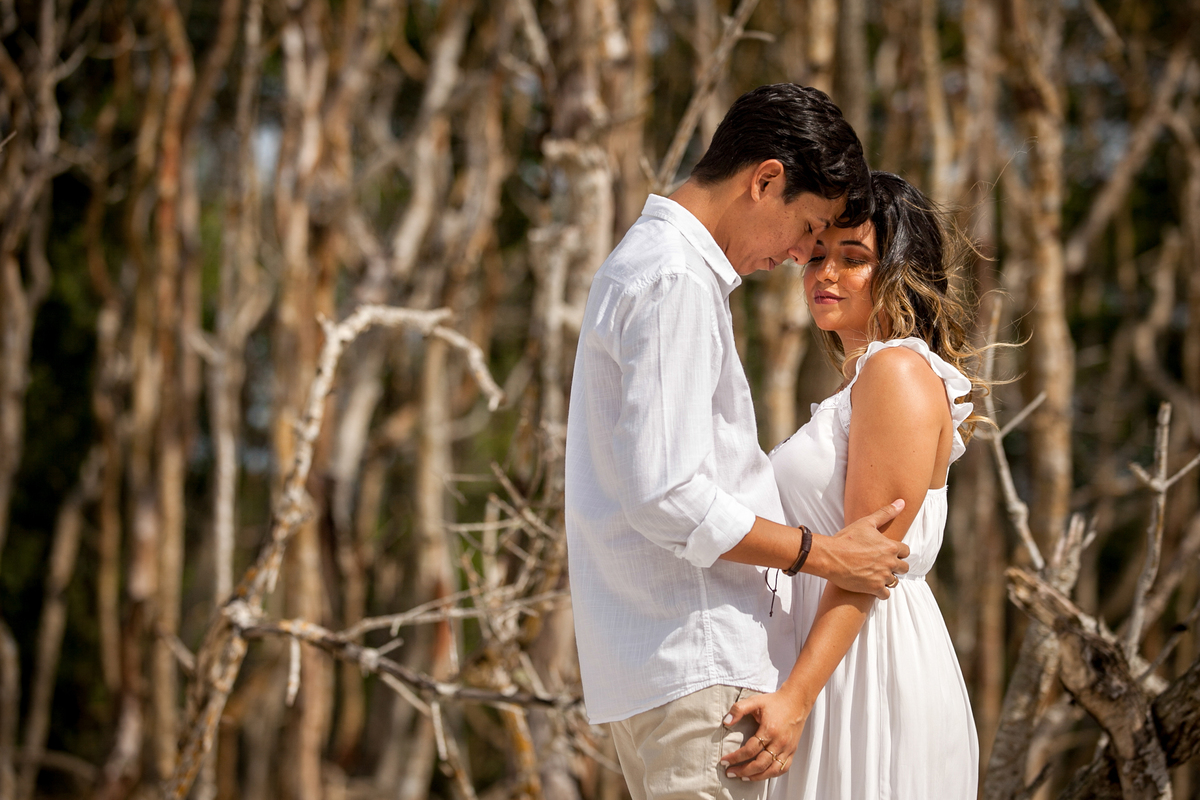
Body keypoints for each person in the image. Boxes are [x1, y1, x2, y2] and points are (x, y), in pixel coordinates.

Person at [564, 84, 910, 800]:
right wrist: (821, 553)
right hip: (697, 661)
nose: (798, 256)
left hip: (662, 662)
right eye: (807, 228)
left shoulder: (648, 264)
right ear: (766, 180)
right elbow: (667, 496)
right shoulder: (675, 278)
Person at [722, 171, 983, 798]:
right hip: (833, 653)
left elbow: (868, 564)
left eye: (852, 258)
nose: (824, 274)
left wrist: (797, 696)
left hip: (872, 659)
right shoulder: (864, 381)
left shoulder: (896, 371)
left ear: (899, 271)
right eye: (815, 257)